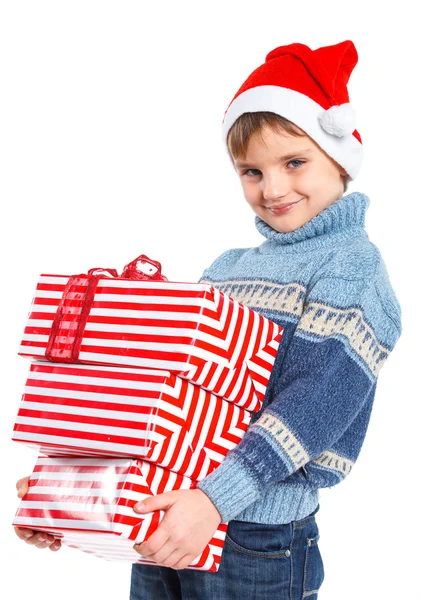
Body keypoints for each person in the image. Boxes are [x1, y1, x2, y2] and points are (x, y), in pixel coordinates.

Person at [15, 40, 402, 600]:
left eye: (295, 162)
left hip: (255, 537)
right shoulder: (227, 269)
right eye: (251, 171)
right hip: (170, 517)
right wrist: (64, 493)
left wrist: (215, 499)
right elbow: (161, 400)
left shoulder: (353, 270)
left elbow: (314, 405)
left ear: (339, 156)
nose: (272, 189)